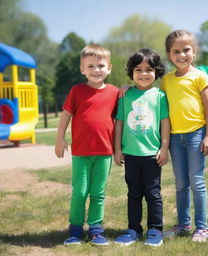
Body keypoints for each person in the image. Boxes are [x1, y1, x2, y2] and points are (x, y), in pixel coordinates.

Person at [55, 44, 119, 246]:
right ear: (82, 69)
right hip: (81, 153)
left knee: (98, 193)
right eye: (90, 66)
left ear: (109, 68)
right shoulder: (77, 91)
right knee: (80, 192)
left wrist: (118, 149)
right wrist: (60, 138)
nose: (95, 70)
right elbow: (66, 115)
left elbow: (120, 121)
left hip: (105, 153)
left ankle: (96, 229)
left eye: (100, 65)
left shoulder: (115, 93)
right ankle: (75, 230)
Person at [161, 30, 208, 242]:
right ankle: (184, 224)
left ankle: (202, 228)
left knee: (196, 180)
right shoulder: (166, 80)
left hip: (196, 135)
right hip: (176, 138)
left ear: (194, 51)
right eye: (176, 51)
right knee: (180, 182)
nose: (182, 54)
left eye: (186, 50)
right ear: (169, 54)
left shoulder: (200, 76)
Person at [114, 48, 170, 247]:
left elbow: (165, 123)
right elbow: (119, 122)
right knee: (134, 193)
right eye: (138, 69)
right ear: (131, 72)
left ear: (156, 72)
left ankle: (155, 230)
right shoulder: (125, 96)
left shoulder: (160, 96)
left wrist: (164, 148)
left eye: (149, 69)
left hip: (152, 156)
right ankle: (133, 230)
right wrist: (117, 149)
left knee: (153, 194)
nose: (144, 74)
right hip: (130, 154)